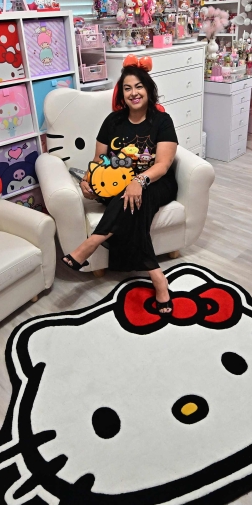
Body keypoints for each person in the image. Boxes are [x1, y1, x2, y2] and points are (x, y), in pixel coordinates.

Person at [61, 55, 179, 313]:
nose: (133, 93)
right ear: (121, 94)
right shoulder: (112, 121)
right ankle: (157, 276)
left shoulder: (162, 121)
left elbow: (163, 165)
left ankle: (92, 244)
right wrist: (87, 180)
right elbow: (97, 160)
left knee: (138, 195)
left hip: (156, 183)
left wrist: (139, 180)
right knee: (127, 199)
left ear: (148, 89)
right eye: (127, 88)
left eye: (138, 86)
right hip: (116, 184)